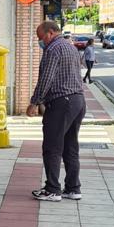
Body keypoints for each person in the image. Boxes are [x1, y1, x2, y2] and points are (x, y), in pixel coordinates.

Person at [26, 21, 87, 202]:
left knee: (52, 147)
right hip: (78, 101)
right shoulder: (71, 47)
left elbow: (46, 78)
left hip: (61, 102)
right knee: (70, 146)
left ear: (50, 33)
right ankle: (73, 188)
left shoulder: (53, 49)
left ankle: (52, 189)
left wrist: (34, 102)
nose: (40, 42)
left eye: (41, 38)